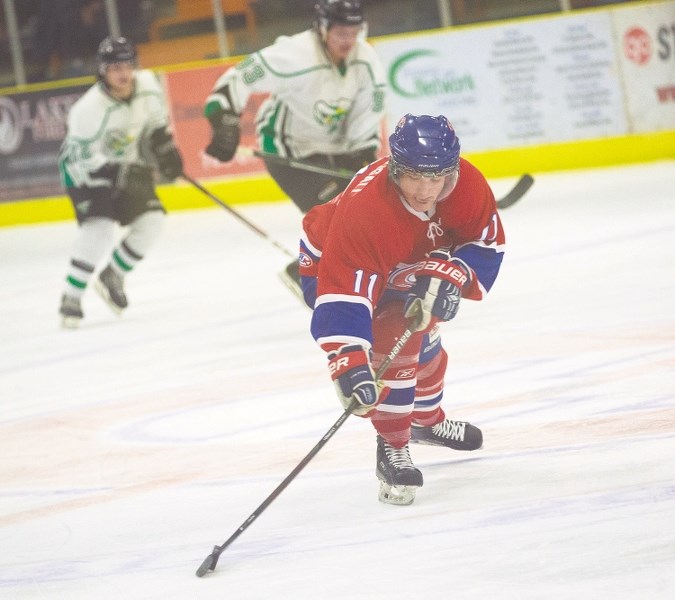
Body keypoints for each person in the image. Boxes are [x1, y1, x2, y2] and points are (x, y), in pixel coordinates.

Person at [298, 114, 506, 505]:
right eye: (414, 176)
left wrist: (456, 271)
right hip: (331, 264)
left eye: (436, 177)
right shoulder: (369, 211)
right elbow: (345, 289)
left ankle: (425, 422)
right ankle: (392, 445)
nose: (426, 190)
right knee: (395, 336)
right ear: (395, 169)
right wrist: (349, 358)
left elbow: (486, 244)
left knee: (424, 346)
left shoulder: (467, 186)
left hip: (406, 262)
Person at [203, 0, 386, 296]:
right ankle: (305, 275)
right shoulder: (295, 54)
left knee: (370, 213)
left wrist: (363, 155)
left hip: (335, 148)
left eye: (354, 32)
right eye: (341, 33)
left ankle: (332, 276)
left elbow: (371, 109)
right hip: (288, 151)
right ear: (323, 28)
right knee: (340, 218)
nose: (348, 41)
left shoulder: (366, 60)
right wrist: (224, 119)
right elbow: (240, 76)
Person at [57, 36, 183, 328]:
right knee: (99, 229)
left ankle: (113, 273)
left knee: (152, 222)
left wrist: (165, 149)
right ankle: (71, 296)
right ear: (102, 71)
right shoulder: (88, 110)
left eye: (127, 65)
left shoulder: (149, 86)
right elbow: (81, 158)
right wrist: (119, 173)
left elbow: (155, 127)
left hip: (126, 164)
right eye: (114, 67)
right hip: (85, 172)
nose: (122, 73)